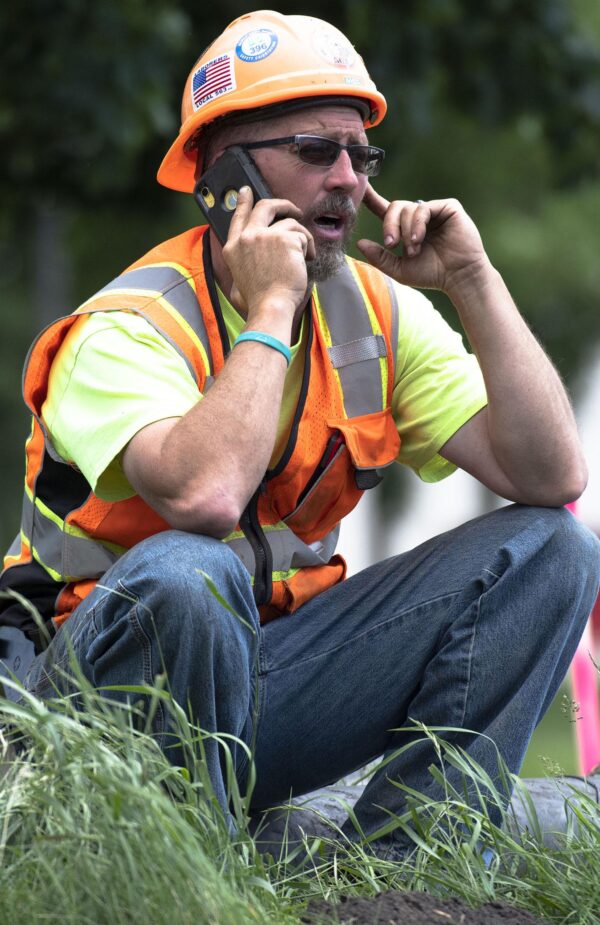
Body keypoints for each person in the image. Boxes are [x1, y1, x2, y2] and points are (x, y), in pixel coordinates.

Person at [1, 11, 599, 857]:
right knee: (191, 573)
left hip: (268, 681)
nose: (351, 180)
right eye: (318, 151)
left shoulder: (380, 310)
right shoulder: (123, 327)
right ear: (228, 174)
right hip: (87, 707)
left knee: (555, 547)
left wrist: (473, 278)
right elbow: (205, 498)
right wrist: (273, 303)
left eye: (364, 156)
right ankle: (178, 870)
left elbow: (549, 474)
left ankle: (414, 874)